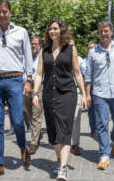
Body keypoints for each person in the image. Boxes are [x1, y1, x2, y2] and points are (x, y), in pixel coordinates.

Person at [0, 0, 32, 180]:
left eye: (5, 11)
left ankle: (23, 146)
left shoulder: (21, 32)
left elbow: (28, 58)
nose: (2, 15)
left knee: (18, 121)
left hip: (15, 80)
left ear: (10, 12)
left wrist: (29, 80)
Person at [32, 20, 87, 181]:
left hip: (68, 94)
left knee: (65, 131)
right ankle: (60, 158)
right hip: (49, 94)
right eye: (50, 28)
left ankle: (62, 168)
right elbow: (39, 74)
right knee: (52, 133)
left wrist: (84, 94)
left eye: (55, 28)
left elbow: (77, 73)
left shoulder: (71, 49)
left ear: (62, 30)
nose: (52, 31)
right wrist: (35, 93)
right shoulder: (45, 51)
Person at [85, 21, 114, 170]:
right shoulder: (93, 52)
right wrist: (87, 94)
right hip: (99, 93)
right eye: (101, 31)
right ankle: (104, 154)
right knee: (101, 124)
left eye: (106, 31)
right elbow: (88, 75)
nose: (103, 34)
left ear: (111, 32)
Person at [23, 37, 44, 155]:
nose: (33, 46)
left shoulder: (43, 55)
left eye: (35, 44)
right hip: (26, 85)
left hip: (39, 86)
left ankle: (34, 142)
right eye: (31, 44)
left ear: (40, 45)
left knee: (36, 113)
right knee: (28, 112)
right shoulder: (25, 55)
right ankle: (38, 132)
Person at [71, 55, 86, 155]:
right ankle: (64, 143)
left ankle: (75, 143)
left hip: (76, 89)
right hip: (61, 91)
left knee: (76, 118)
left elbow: (85, 73)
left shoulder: (79, 59)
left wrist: (84, 93)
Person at [85, 41, 97, 138]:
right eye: (90, 48)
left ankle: (99, 128)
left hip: (99, 88)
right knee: (91, 111)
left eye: (93, 47)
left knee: (99, 109)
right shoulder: (84, 61)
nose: (91, 49)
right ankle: (93, 130)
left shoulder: (99, 59)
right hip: (89, 88)